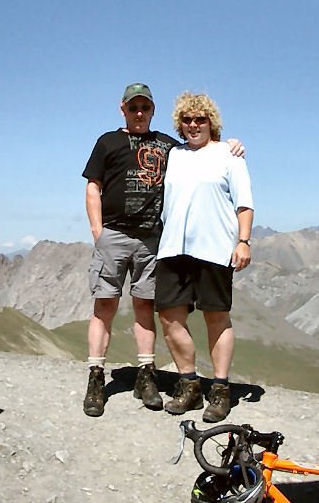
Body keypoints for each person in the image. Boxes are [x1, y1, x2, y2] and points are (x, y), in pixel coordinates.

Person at [81, 83, 243, 418]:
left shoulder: (170, 147)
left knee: (145, 306)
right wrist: (98, 231)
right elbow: (93, 185)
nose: (139, 113)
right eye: (133, 108)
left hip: (153, 240)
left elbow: (204, 152)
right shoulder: (107, 141)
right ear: (123, 109)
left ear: (153, 111)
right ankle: (96, 377)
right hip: (114, 235)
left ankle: (146, 375)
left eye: (145, 108)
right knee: (105, 305)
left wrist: (230, 144)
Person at [155, 92, 254, 423]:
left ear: (212, 122)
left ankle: (221, 389)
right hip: (173, 248)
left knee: (216, 316)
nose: (194, 124)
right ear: (179, 125)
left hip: (214, 247)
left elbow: (244, 203)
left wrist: (243, 241)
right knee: (169, 316)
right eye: (187, 119)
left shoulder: (229, 156)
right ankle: (189, 383)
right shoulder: (173, 155)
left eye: (201, 119)